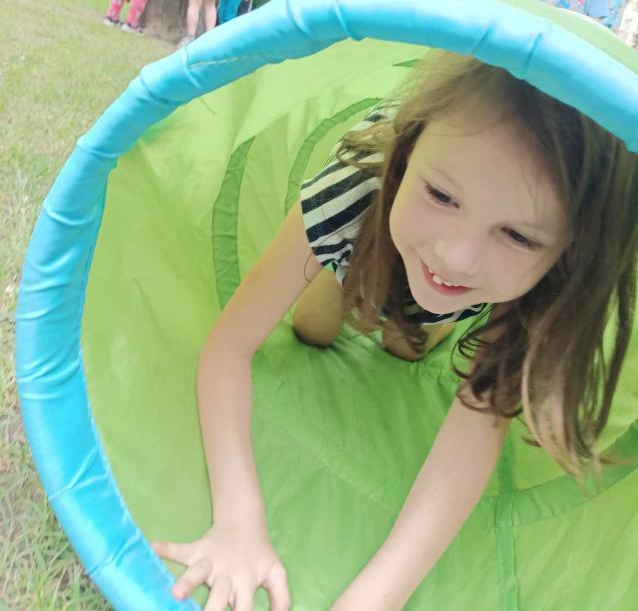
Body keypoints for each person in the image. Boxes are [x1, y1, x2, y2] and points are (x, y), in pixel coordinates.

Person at [153, 49, 638, 611]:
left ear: (567, 249)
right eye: (441, 195)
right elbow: (230, 346)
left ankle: (412, 319)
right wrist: (239, 521)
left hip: (446, 292)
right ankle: (358, 282)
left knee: (406, 343)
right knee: (314, 327)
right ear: (408, 151)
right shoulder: (354, 185)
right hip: (369, 238)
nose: (456, 255)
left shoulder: (547, 282)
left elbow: (476, 427)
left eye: (519, 236)